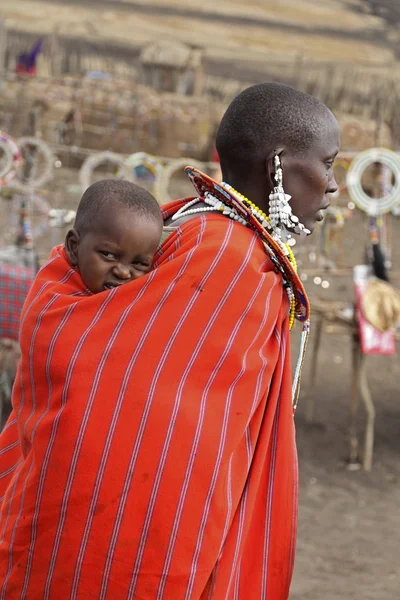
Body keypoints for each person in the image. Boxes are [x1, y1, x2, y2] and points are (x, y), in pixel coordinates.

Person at [0, 82, 339, 599]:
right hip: (133, 548)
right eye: (329, 164)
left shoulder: (199, 225)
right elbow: (155, 422)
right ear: (278, 164)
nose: (333, 186)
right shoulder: (228, 256)